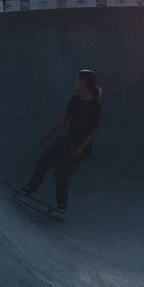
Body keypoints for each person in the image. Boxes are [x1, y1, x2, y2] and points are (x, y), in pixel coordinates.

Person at [19, 70, 102, 215]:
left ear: (85, 83)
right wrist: (47, 136)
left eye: (78, 80)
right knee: (44, 160)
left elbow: (94, 131)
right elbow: (63, 121)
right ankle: (30, 188)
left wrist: (82, 149)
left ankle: (62, 205)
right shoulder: (75, 100)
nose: (75, 82)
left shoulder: (95, 106)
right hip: (65, 141)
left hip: (78, 147)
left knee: (60, 173)